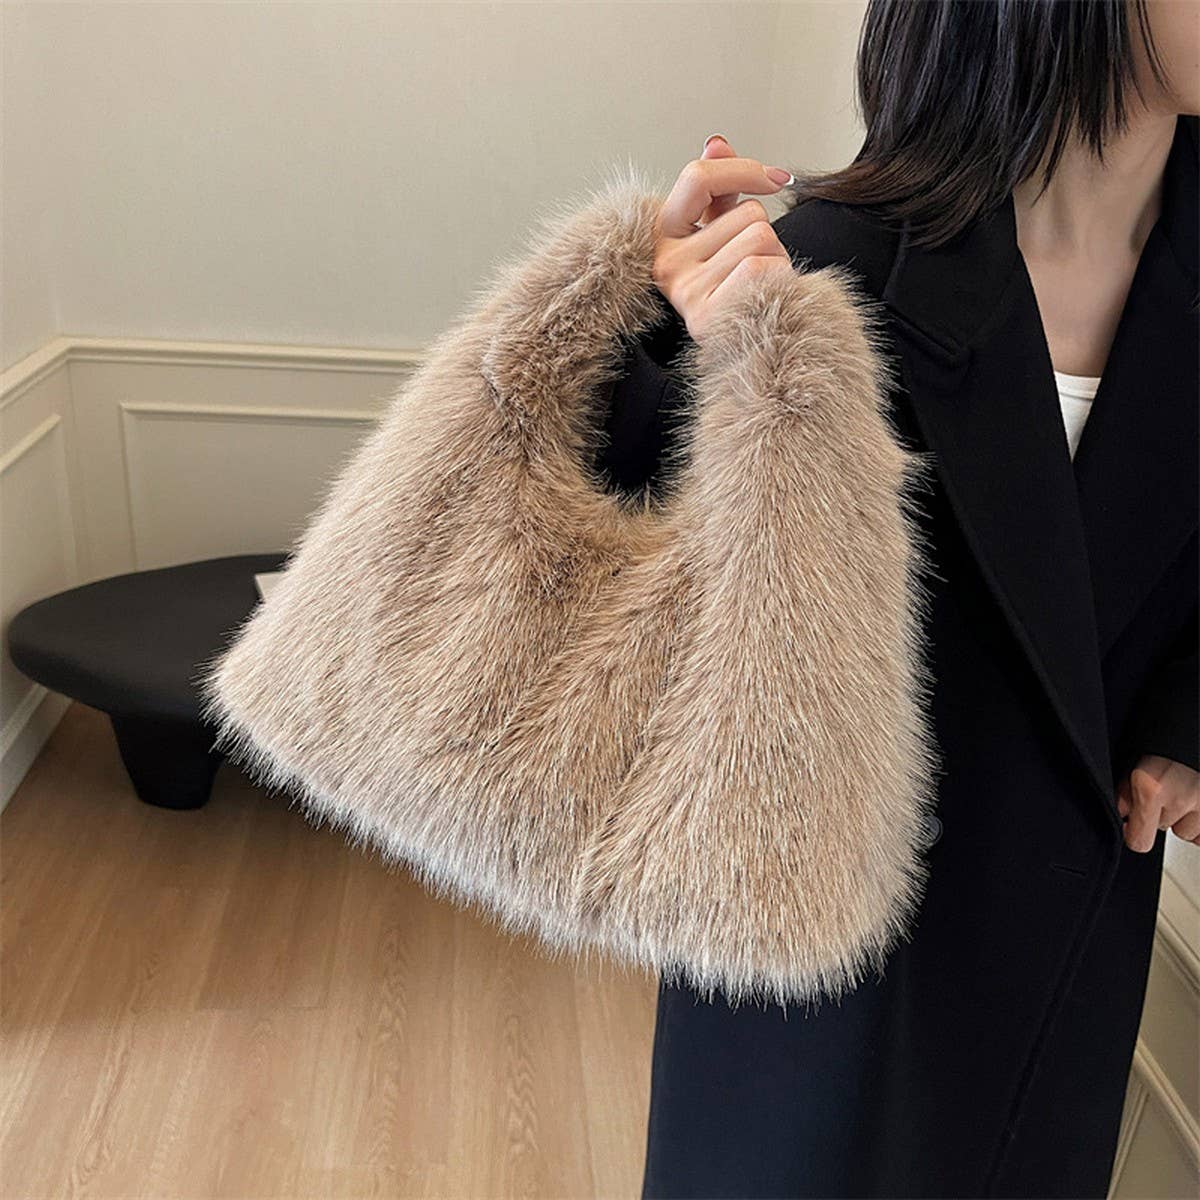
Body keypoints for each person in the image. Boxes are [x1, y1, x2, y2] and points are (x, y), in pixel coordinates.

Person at [593, 2, 1200, 1196]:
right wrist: (641, 337)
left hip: (1063, 965)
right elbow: (624, 612)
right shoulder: (823, 269)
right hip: (824, 981)